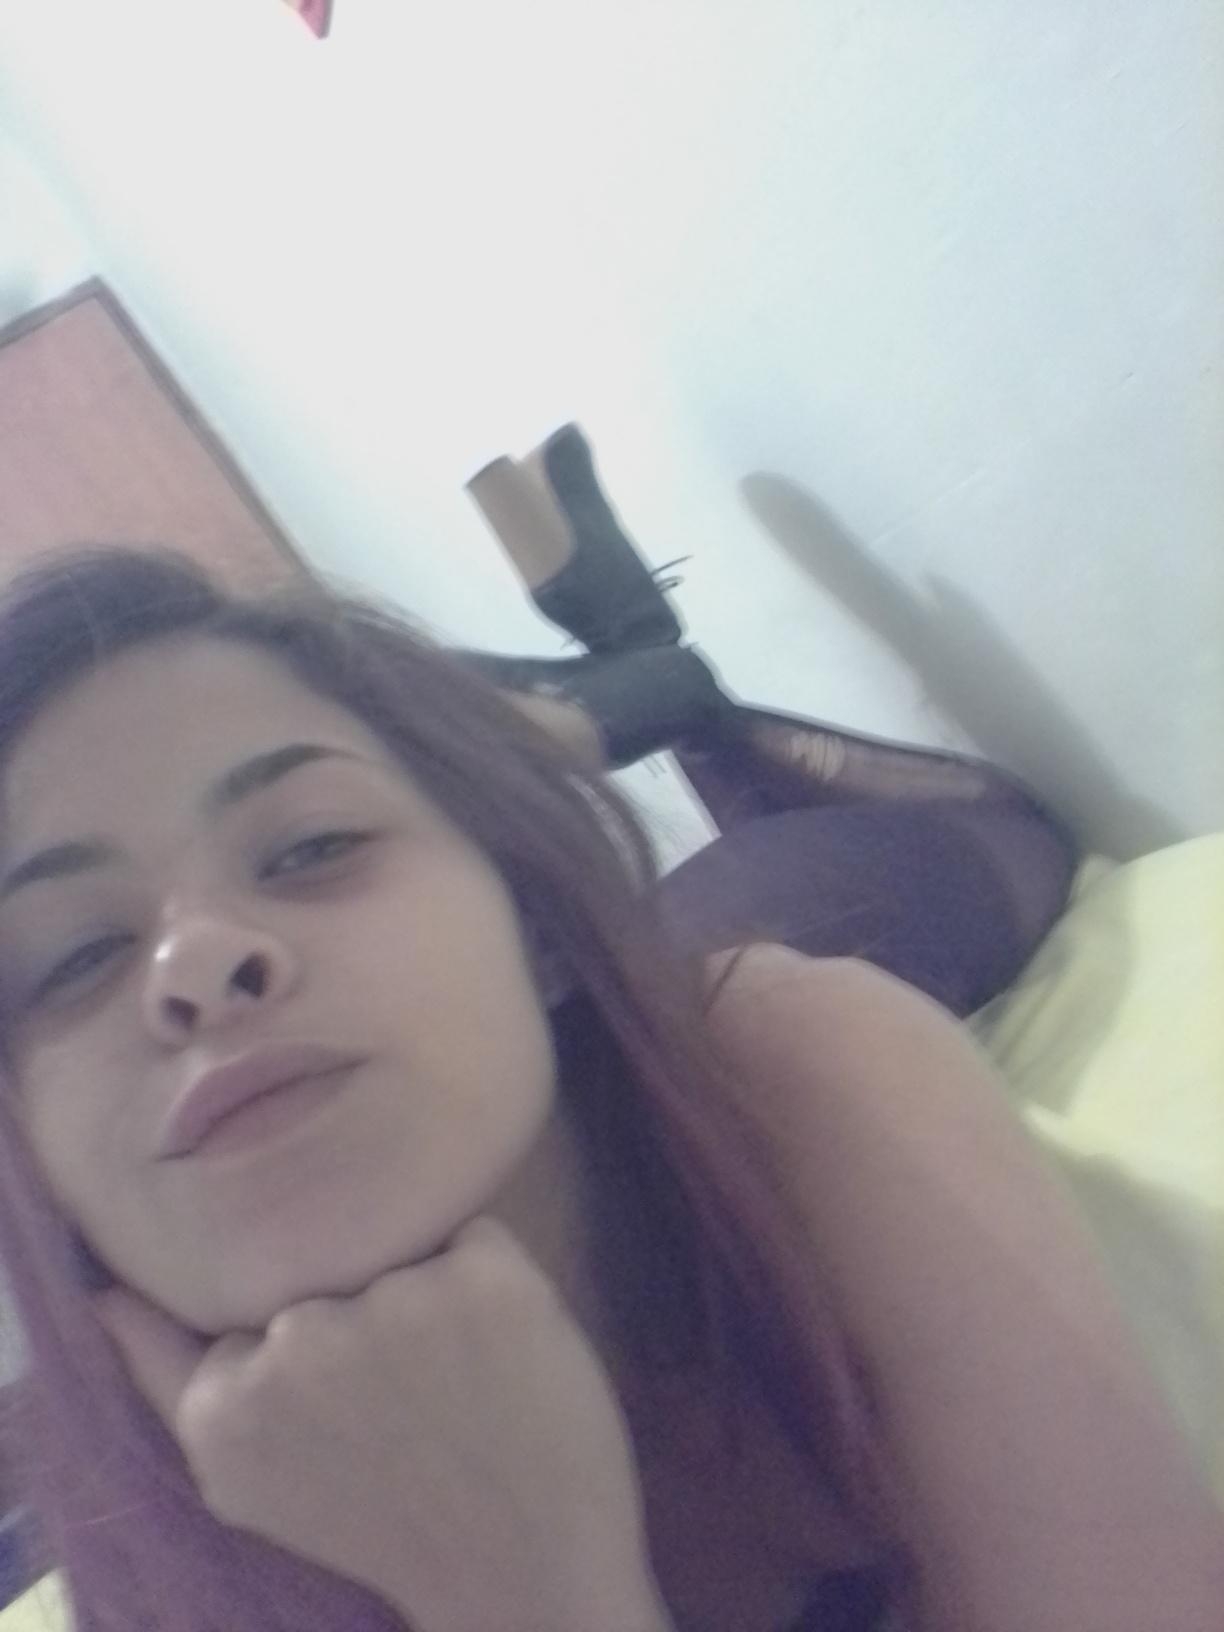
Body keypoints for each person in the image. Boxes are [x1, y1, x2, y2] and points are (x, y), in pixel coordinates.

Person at [0, 543, 1218, 1632]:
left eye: (315, 846)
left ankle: (678, 703)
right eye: (74, 957)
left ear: (536, 920)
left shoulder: (788, 1061)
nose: (194, 962)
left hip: (705, 978)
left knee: (980, 848)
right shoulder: (146, 1570)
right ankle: (626, 687)